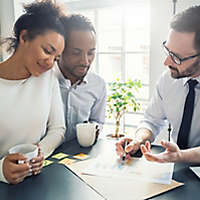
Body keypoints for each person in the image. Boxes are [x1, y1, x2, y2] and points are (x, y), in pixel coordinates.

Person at [116, 5, 200, 163]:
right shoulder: (168, 80)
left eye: (176, 57)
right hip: (176, 169)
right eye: (168, 51)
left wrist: (181, 156)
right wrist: (138, 139)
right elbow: (152, 120)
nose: (166, 62)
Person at [0, 0, 66, 184]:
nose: (50, 63)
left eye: (56, 58)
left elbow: (58, 129)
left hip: (36, 181)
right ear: (24, 37)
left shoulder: (48, 78)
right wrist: (1, 170)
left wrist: (40, 152)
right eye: (47, 51)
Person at [55, 14, 106, 142]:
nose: (85, 61)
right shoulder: (44, 80)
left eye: (90, 53)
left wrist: (93, 129)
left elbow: (97, 121)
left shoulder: (98, 85)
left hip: (80, 154)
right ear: (60, 50)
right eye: (76, 53)